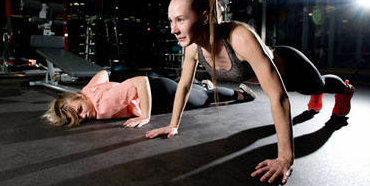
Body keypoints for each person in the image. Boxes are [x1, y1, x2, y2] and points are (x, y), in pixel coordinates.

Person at [145, 0, 355, 184]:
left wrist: (285, 158)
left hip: (292, 67)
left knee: (317, 85)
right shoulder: (193, 48)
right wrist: (173, 125)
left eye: (180, 20)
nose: (173, 29)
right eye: (171, 20)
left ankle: (345, 89)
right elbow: (183, 85)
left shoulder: (238, 37)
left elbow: (278, 96)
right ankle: (317, 95)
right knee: (304, 92)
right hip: (273, 79)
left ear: (205, 17)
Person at [43, 70, 256, 128]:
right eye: (77, 119)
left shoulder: (103, 106)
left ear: (79, 97)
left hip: (161, 95)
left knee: (206, 98)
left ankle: (242, 94)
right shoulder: (87, 92)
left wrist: (145, 116)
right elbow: (103, 72)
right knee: (197, 93)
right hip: (158, 86)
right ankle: (200, 87)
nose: (85, 116)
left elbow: (140, 80)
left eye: (79, 110)